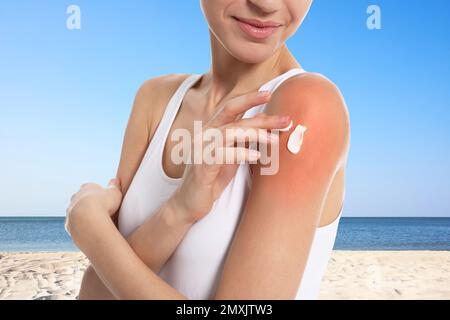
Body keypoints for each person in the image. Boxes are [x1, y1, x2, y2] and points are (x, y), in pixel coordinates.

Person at [66, 0, 350, 300]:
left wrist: (93, 230)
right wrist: (178, 212)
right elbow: (96, 294)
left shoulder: (307, 106)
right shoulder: (155, 100)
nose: (266, 4)